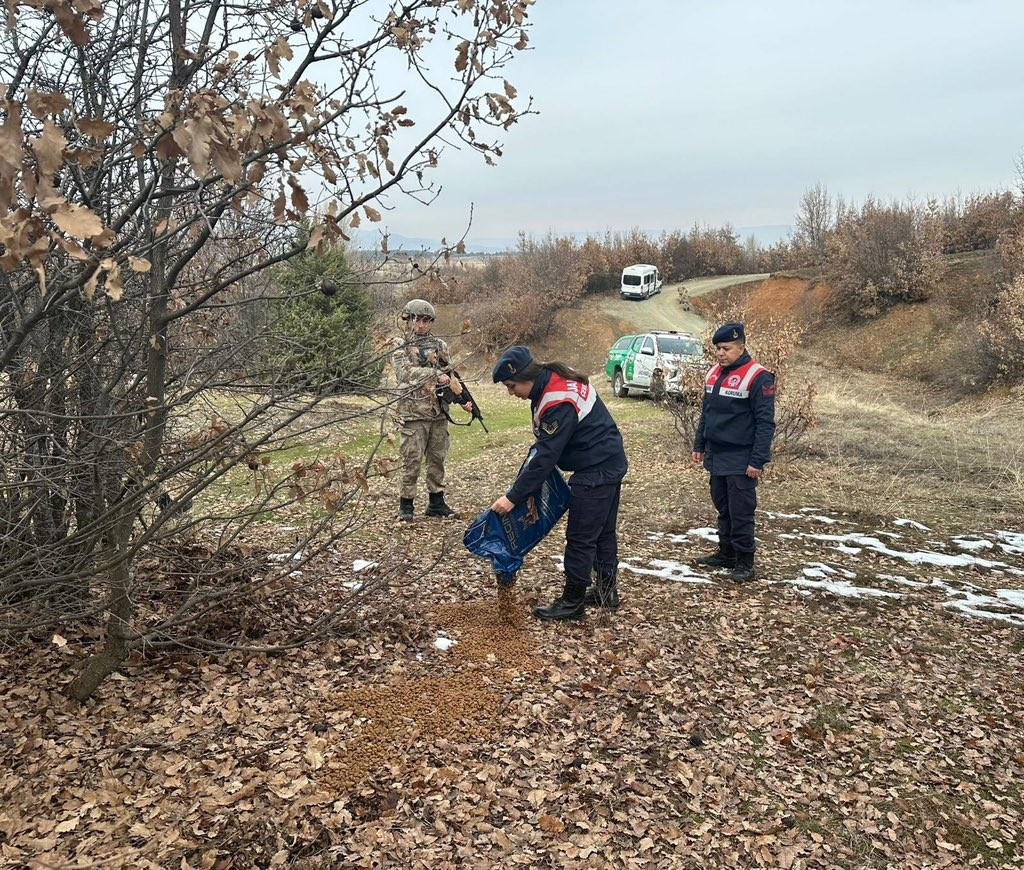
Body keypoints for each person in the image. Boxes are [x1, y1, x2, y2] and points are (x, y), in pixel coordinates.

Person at [490, 346, 628, 621]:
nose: (511, 392)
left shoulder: (556, 399)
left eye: (511, 386)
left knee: (581, 536)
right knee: (602, 532)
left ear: (525, 377)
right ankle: (606, 591)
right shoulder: (551, 379)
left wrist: (513, 497)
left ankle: (572, 602)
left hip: (596, 469)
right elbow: (546, 447)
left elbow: (546, 456)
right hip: (608, 460)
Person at [692, 321, 776, 583]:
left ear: (741, 347)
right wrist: (699, 444)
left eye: (726, 348)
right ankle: (726, 553)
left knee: (741, 511)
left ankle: (744, 561)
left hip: (742, 457)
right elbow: (707, 413)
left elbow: (765, 423)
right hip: (716, 454)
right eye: (718, 348)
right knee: (723, 507)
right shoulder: (714, 373)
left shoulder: (758, 376)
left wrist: (757, 460)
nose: (720, 353)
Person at [392, 299, 471, 521]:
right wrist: (433, 375)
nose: (423, 324)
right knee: (412, 460)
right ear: (408, 319)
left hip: (438, 412)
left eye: (427, 320)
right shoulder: (401, 344)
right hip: (413, 412)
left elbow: (451, 373)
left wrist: (462, 398)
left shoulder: (440, 345)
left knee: (437, 458)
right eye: (419, 319)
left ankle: (436, 502)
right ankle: (406, 504)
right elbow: (404, 373)